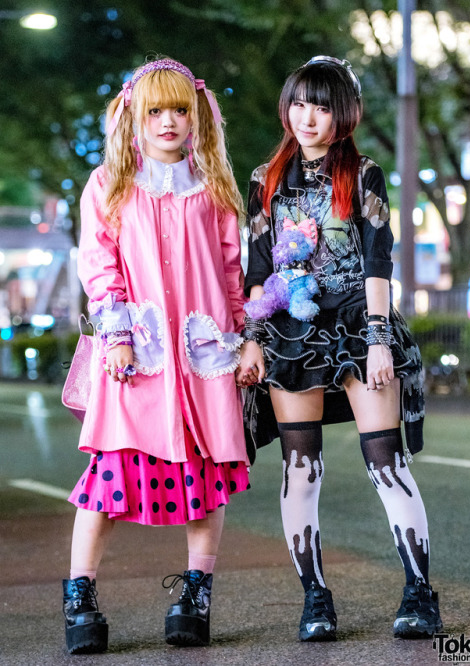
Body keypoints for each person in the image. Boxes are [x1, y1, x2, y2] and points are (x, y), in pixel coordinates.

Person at [237, 56, 442, 642]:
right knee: (300, 472)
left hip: (357, 320)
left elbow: (379, 261)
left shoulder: (365, 173)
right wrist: (253, 338)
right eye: (300, 103)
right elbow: (257, 270)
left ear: (343, 114)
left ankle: (419, 592)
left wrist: (380, 339)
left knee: (387, 464)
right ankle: (316, 598)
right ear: (287, 108)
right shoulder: (265, 179)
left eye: (322, 106)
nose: (309, 117)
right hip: (291, 333)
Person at [63, 56, 250, 654]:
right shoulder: (109, 184)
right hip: (136, 356)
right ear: (133, 117)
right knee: (108, 479)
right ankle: (80, 597)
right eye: (155, 111)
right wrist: (115, 333)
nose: (168, 122)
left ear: (196, 117)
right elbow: (99, 264)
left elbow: (229, 271)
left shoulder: (213, 185)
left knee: (204, 478)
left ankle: (197, 591)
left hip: (203, 357)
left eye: (179, 110)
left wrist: (244, 337)